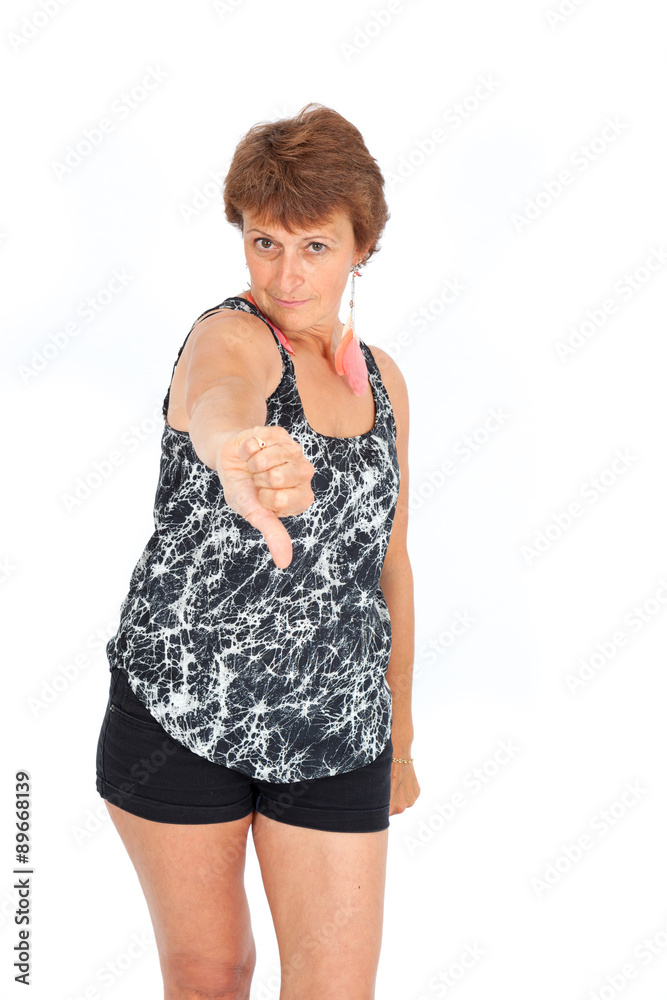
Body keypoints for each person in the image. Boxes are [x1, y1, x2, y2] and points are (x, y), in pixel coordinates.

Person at [95, 102, 419, 1000]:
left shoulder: (385, 381)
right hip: (183, 712)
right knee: (213, 974)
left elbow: (389, 564)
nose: (285, 274)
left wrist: (399, 734)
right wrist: (237, 450)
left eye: (315, 246)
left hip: (337, 724)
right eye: (264, 242)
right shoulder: (229, 335)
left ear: (361, 248)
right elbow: (220, 395)